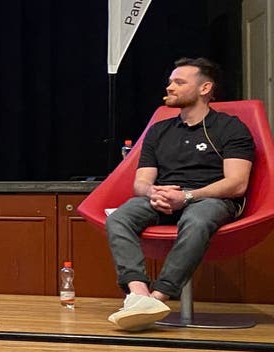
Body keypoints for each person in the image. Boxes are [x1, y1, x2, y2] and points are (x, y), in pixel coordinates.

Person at [105, 58, 254, 331]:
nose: (169, 87)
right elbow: (141, 183)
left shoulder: (230, 128)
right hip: (164, 200)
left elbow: (236, 183)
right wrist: (154, 192)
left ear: (204, 88)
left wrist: (186, 197)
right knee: (120, 216)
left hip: (211, 200)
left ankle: (159, 296)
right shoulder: (159, 131)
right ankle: (138, 295)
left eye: (179, 82)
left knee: (197, 219)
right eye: (171, 81)